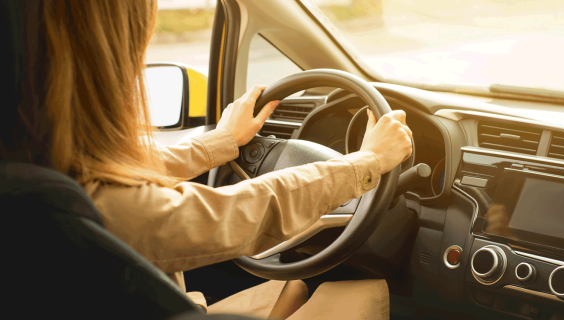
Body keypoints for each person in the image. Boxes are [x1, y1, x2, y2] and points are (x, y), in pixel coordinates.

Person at [2, 1, 412, 319]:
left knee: (293, 288)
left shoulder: (30, 168)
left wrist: (221, 142)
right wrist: (368, 162)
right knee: (362, 292)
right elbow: (244, 211)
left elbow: (122, 167)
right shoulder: (74, 207)